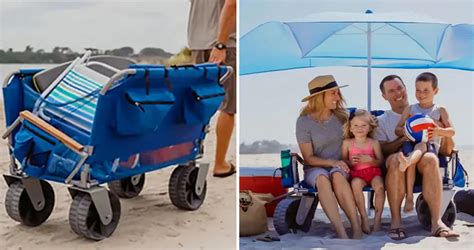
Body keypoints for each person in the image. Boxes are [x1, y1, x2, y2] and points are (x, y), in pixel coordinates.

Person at [375, 75, 459, 240]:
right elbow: (381, 149)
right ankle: (396, 222)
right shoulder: (381, 120)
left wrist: (440, 129)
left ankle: (436, 222)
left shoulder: (434, 112)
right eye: (391, 90)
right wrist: (406, 136)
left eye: (400, 88)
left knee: (431, 159)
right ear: (384, 96)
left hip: (425, 158)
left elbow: (448, 145)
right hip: (396, 163)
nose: (398, 93)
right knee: (396, 159)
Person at [296, 75, 363, 239]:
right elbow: (308, 157)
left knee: (338, 175)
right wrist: (332, 161)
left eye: (338, 92)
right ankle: (341, 232)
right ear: (320, 97)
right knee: (322, 179)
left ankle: (356, 228)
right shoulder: (303, 122)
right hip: (315, 168)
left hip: (342, 166)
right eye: (333, 93)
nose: (338, 97)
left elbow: (363, 130)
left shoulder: (344, 117)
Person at [188, 0, 237, 177]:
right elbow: (232, 4)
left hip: (197, 44)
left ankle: (189, 158)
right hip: (223, 45)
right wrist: (221, 44)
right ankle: (220, 164)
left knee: (198, 103)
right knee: (229, 107)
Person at [395, 72, 456, 213]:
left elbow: (452, 131)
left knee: (419, 147)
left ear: (436, 91)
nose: (421, 94)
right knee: (411, 154)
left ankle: (409, 162)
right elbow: (397, 129)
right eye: (418, 90)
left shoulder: (439, 110)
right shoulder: (410, 109)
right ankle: (409, 197)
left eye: (426, 90)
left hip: (430, 145)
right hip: (411, 143)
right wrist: (407, 130)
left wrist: (439, 131)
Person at [342, 109, 385, 233]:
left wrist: (370, 160)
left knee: (380, 187)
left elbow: (381, 161)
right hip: (357, 174)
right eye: (356, 125)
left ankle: (377, 220)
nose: (359, 128)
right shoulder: (347, 143)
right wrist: (351, 163)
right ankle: (364, 218)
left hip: (373, 172)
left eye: (363, 125)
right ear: (350, 128)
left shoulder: (373, 143)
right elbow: (344, 160)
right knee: (355, 184)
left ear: (369, 128)